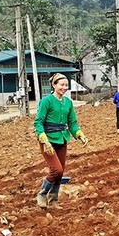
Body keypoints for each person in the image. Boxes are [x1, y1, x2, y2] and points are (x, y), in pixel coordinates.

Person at [34, 73, 88, 208]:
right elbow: (38, 122)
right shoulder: (46, 101)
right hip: (48, 140)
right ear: (54, 85)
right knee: (56, 170)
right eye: (61, 85)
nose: (64, 88)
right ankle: (42, 193)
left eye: (66, 85)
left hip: (62, 139)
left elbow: (72, 122)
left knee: (61, 171)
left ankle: (53, 200)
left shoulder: (68, 102)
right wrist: (44, 140)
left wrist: (79, 134)